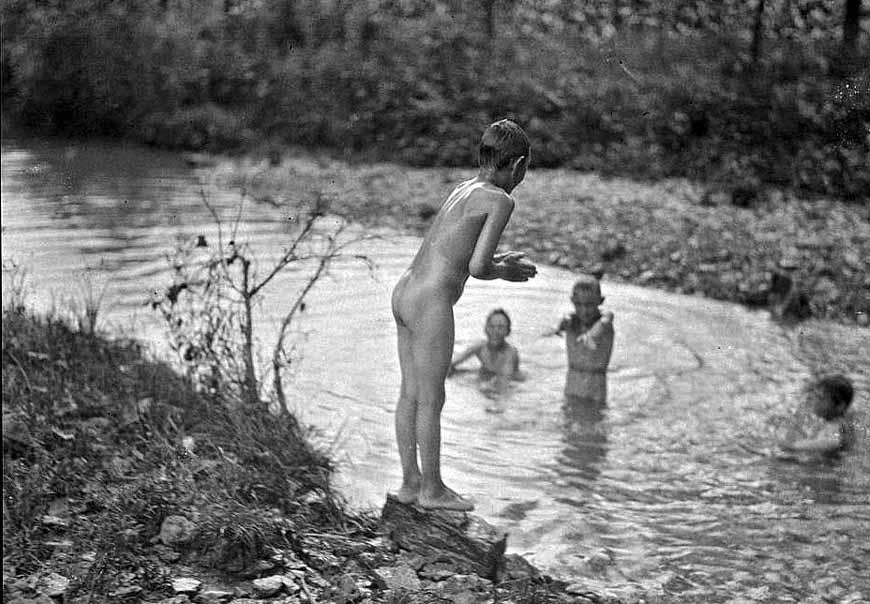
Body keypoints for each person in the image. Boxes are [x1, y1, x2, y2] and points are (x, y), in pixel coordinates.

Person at [390, 119, 537, 511]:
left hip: (405, 290)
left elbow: (455, 250)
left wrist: (496, 260)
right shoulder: (501, 200)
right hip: (430, 301)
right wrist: (505, 270)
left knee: (410, 393)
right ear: (518, 165)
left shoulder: (464, 188)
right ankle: (433, 490)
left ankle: (410, 484)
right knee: (431, 397)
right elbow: (477, 267)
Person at [545, 274, 614, 404]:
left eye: (590, 305)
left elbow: (605, 321)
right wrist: (557, 329)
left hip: (595, 390)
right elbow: (561, 325)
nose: (584, 310)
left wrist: (591, 335)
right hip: (572, 387)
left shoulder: (605, 320)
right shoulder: (570, 320)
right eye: (579, 304)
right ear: (572, 301)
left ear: (601, 301)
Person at [449, 308, 526, 395]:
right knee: (454, 373)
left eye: (500, 327)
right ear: (486, 329)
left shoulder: (510, 353)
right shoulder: (480, 347)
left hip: (512, 379)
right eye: (491, 326)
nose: (495, 331)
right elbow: (450, 364)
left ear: (508, 332)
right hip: (488, 374)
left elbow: (503, 385)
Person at [779, 374, 857, 456]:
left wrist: (794, 447)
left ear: (840, 406)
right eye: (816, 396)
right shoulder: (842, 418)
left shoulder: (836, 424)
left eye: (821, 398)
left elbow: (832, 441)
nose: (815, 402)